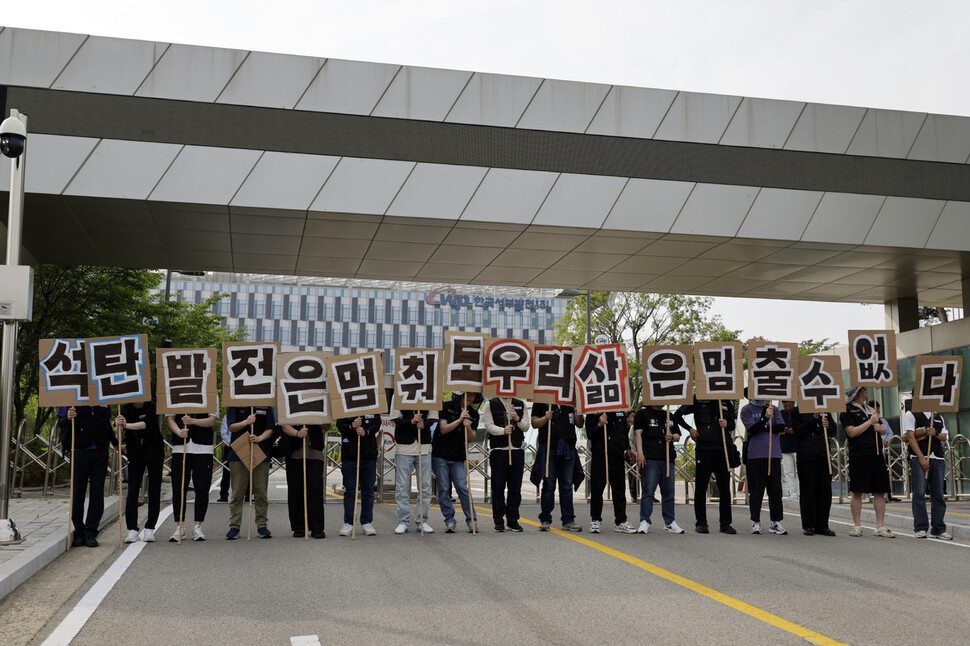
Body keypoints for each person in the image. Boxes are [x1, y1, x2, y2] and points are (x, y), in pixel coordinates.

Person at [673, 397, 737, 534]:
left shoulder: (725, 401)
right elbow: (677, 415)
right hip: (704, 448)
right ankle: (701, 523)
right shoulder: (698, 398)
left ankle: (725, 524)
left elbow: (732, 424)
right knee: (701, 487)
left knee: (724, 488)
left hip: (722, 449)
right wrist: (690, 429)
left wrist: (727, 424)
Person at [57, 405, 117, 547]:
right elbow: (61, 423)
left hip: (100, 451)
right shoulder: (71, 397)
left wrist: (116, 443)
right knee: (78, 492)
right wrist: (68, 417)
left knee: (97, 492)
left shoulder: (104, 398)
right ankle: (79, 530)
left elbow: (106, 423)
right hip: (79, 450)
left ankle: (91, 531)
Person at [840, 386, 894, 538]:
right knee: (858, 491)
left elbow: (884, 429)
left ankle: (880, 526)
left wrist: (880, 428)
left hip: (876, 454)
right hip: (859, 454)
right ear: (858, 393)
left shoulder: (870, 409)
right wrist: (869, 422)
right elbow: (851, 432)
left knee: (880, 491)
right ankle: (857, 525)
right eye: (864, 390)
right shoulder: (847, 410)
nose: (867, 393)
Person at [166, 407, 218, 542]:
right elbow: (170, 418)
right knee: (179, 487)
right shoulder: (174, 394)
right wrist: (178, 431)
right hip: (180, 448)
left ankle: (197, 525)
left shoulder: (210, 395)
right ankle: (179, 526)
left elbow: (212, 420)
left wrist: (192, 421)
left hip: (204, 448)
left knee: (202, 487)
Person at [530, 402, 584, 532]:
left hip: (568, 447)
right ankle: (545, 519)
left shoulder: (571, 399)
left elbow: (580, 424)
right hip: (549, 447)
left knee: (567, 485)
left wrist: (577, 411)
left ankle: (568, 520)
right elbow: (534, 422)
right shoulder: (541, 398)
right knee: (549, 484)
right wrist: (545, 418)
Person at [225, 406, 276, 539]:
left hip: (261, 452)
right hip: (238, 452)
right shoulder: (234, 402)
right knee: (237, 492)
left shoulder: (265, 405)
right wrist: (246, 422)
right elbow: (231, 427)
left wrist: (260, 438)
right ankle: (234, 526)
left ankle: (262, 525)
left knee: (261, 492)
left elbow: (270, 428)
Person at [740, 395, 788, 535]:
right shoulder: (746, 409)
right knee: (756, 490)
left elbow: (781, 427)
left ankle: (775, 521)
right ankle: (755, 521)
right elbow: (752, 429)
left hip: (773, 454)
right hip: (756, 455)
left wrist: (764, 426)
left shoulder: (774, 408)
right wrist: (765, 418)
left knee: (775, 490)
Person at [117, 400, 163, 543]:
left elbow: (145, 424)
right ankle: (132, 529)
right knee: (133, 489)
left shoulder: (152, 406)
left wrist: (126, 425)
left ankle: (150, 528)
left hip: (154, 450)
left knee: (154, 489)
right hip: (135, 451)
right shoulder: (125, 408)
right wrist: (118, 425)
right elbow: (119, 431)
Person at [903, 405, 951, 540]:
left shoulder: (938, 416)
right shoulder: (911, 414)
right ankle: (920, 527)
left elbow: (944, 437)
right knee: (919, 493)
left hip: (938, 458)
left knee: (938, 494)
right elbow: (910, 437)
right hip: (920, 458)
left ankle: (938, 528)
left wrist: (935, 433)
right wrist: (921, 458)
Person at [436, 392, 482, 533]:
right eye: (468, 394)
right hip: (441, 454)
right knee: (443, 488)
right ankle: (449, 520)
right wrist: (459, 420)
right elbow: (443, 429)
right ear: (461, 394)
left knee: (462, 487)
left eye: (473, 395)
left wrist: (468, 427)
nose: (470, 397)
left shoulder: (474, 414)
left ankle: (471, 520)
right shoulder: (446, 406)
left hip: (458, 456)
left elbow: (471, 438)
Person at [585, 409, 636, 534]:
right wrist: (599, 424)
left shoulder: (619, 411)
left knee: (619, 489)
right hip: (600, 455)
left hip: (617, 455)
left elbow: (624, 431)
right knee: (597, 489)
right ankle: (595, 519)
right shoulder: (593, 412)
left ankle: (621, 521)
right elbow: (590, 434)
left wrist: (628, 448)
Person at [634, 405, 683, 534]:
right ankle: (645, 521)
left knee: (669, 492)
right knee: (648, 491)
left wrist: (672, 437)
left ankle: (669, 522)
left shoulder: (669, 415)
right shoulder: (643, 414)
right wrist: (640, 453)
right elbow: (638, 433)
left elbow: (678, 435)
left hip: (667, 459)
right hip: (650, 458)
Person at [483, 395, 528, 532]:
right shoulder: (491, 403)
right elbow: (488, 425)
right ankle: (498, 520)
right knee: (498, 487)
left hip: (517, 450)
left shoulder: (520, 403)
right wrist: (503, 431)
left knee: (515, 488)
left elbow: (526, 426)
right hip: (499, 451)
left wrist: (517, 419)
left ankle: (513, 520)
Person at [791, 408, 836, 536]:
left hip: (823, 455)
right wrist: (814, 418)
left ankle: (822, 525)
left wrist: (827, 426)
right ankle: (808, 524)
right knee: (808, 491)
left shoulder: (825, 411)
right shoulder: (797, 411)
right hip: (806, 456)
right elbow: (798, 431)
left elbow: (833, 431)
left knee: (825, 492)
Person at [337, 414, 380, 537]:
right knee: (350, 491)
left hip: (369, 454)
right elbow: (340, 425)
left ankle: (366, 522)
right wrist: (352, 426)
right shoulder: (345, 407)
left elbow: (377, 424)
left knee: (368, 491)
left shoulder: (372, 406)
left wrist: (366, 432)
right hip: (350, 455)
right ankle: (349, 522)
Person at [393, 409, 435, 534]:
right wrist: (411, 421)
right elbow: (396, 418)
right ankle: (403, 521)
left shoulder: (429, 396)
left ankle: (422, 520)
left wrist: (424, 424)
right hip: (404, 447)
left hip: (424, 446)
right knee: (402, 486)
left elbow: (433, 416)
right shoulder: (398, 396)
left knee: (425, 486)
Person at [281, 423, 327, 538]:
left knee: (315, 490)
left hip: (315, 453)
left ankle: (317, 527)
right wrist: (297, 433)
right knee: (295, 490)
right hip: (294, 452)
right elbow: (284, 425)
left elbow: (327, 426)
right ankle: (298, 526)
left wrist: (314, 418)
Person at [779, 401, 799, 501]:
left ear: (793, 403)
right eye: (785, 405)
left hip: (798, 446)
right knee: (788, 471)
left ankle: (803, 491)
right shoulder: (780, 414)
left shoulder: (798, 412)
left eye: (789, 405)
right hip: (785, 446)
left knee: (802, 470)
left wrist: (795, 430)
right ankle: (793, 492)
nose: (787, 407)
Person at [625, 410, 639, 503]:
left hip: (638, 453)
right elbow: (629, 441)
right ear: (627, 418)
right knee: (632, 475)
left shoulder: (638, 426)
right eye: (632, 416)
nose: (634, 417)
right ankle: (633, 494)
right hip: (630, 453)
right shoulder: (627, 427)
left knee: (640, 475)